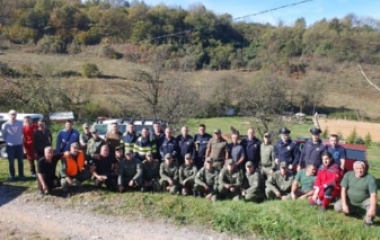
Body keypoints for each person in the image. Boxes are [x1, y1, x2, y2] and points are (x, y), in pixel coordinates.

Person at [334, 161, 379, 227]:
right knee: (337, 206)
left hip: (365, 200)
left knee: (373, 208)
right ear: (353, 168)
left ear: (364, 168)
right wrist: (344, 204)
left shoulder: (370, 179)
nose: (359, 170)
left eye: (361, 168)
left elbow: (373, 195)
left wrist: (373, 208)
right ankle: (352, 211)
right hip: (350, 200)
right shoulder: (348, 175)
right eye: (357, 168)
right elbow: (343, 190)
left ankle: (367, 222)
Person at [1, 110, 25, 181]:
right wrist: (9, 141)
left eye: (14, 114)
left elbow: (22, 133)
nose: (13, 116)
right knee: (11, 161)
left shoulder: (20, 123)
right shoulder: (5, 125)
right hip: (10, 146)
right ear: (9, 115)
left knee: (20, 161)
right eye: (12, 114)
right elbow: (4, 135)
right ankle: (12, 176)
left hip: (19, 145)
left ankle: (21, 175)